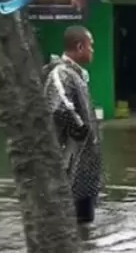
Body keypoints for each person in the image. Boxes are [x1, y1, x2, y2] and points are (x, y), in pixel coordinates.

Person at [43, 25, 102, 224]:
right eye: (90, 46)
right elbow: (60, 109)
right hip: (72, 167)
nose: (92, 50)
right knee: (72, 223)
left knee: (84, 224)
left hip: (84, 167)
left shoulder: (76, 75)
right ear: (79, 47)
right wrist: (83, 134)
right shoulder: (61, 74)